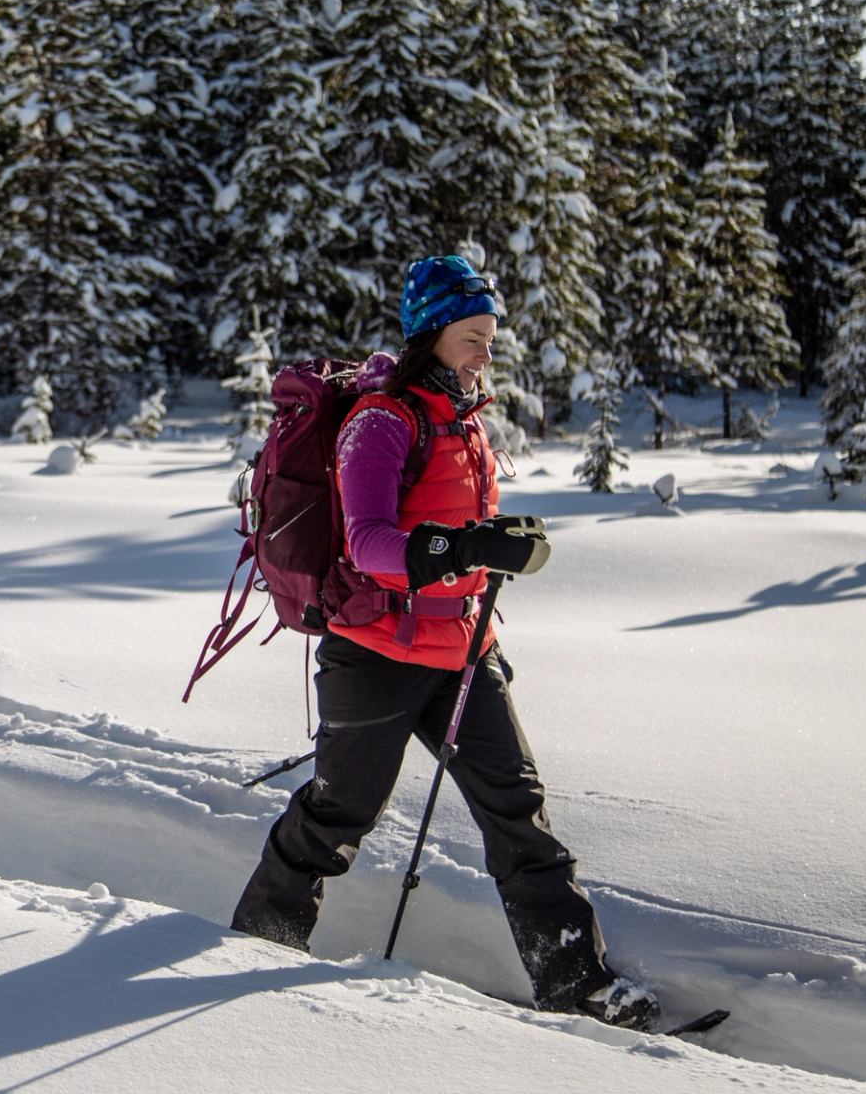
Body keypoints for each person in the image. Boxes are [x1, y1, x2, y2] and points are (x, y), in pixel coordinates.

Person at [228, 254, 661, 1031]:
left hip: (462, 650)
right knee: (339, 814)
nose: (487, 350)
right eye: (474, 334)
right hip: (375, 655)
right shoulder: (379, 422)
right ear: (432, 331)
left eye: (491, 335)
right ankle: (260, 943)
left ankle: (578, 984)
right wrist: (455, 552)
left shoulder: (463, 417)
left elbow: (448, 526)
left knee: (517, 814)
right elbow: (368, 542)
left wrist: (492, 543)